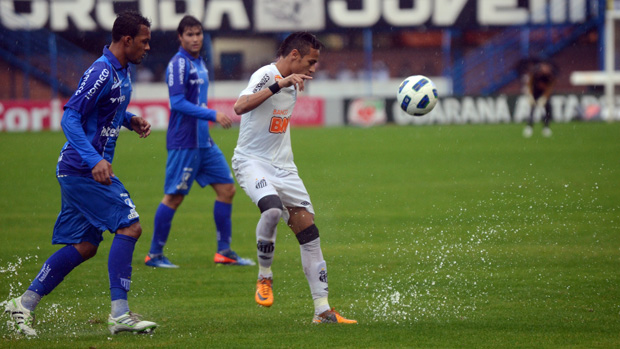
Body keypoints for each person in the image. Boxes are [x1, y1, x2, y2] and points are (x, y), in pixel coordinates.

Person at [3, 11, 157, 336]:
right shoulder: (100, 71)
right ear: (127, 40)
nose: (148, 47)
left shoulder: (122, 71)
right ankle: (120, 314)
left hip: (83, 169)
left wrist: (130, 120)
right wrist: (93, 159)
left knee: (86, 245)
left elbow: (105, 108)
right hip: (82, 169)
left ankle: (23, 304)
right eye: (144, 41)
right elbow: (71, 117)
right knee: (130, 226)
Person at [231, 31, 357, 324]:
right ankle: (265, 277)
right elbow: (239, 107)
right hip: (252, 163)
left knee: (309, 233)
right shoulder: (267, 74)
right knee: (273, 209)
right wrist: (279, 83)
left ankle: (323, 310)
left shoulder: (297, 82)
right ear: (294, 56)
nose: (314, 68)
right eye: (311, 62)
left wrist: (288, 83)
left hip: (284, 168)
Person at [144, 15, 254, 268]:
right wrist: (211, 114)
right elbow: (178, 103)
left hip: (204, 141)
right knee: (174, 197)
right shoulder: (178, 64)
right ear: (180, 38)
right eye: (189, 34)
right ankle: (154, 254)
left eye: (198, 33)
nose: (195, 38)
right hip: (185, 141)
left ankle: (224, 251)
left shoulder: (199, 62)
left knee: (227, 190)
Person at [523, 60, 558, 138]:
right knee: (532, 110)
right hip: (535, 93)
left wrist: (544, 97)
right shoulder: (535, 74)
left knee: (547, 110)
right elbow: (529, 84)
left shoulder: (550, 76)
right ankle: (529, 127)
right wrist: (530, 95)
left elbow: (550, 88)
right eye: (544, 67)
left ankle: (546, 127)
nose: (545, 69)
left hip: (544, 94)